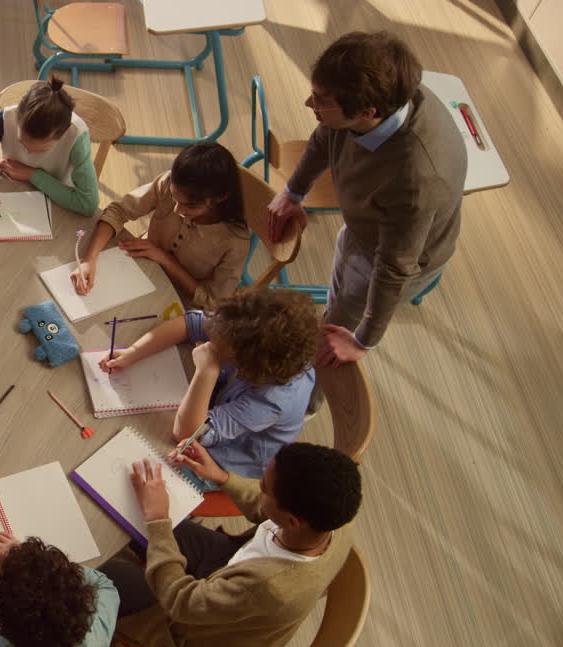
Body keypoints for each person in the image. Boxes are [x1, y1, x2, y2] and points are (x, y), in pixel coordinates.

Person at [267, 31, 467, 366]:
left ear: (366, 112)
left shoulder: (415, 179)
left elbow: (394, 266)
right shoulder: (373, 99)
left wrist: (363, 340)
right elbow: (325, 137)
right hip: (366, 226)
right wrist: (293, 193)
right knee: (337, 302)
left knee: (334, 335)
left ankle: (308, 390)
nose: (308, 104)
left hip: (392, 260)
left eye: (320, 100)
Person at [100, 440, 361, 647]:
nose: (258, 487)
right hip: (231, 566)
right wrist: (221, 477)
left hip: (198, 633)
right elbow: (267, 510)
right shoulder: (332, 521)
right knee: (146, 520)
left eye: (264, 488)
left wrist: (158, 519)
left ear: (292, 521)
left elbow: (181, 602)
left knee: (101, 574)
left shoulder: (270, 587)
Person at [102, 288, 320, 479]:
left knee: (153, 463)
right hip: (222, 398)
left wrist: (206, 371)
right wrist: (133, 352)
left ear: (246, 363)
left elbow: (188, 435)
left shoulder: (271, 400)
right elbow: (190, 324)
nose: (213, 341)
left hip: (234, 453)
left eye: (221, 346)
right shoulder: (245, 325)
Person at [72, 142, 250, 308]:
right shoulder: (168, 182)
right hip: (141, 265)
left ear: (221, 197)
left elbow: (214, 301)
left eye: (190, 206)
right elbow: (119, 211)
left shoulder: (234, 242)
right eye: (174, 198)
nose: (177, 210)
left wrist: (165, 259)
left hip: (180, 300)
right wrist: (89, 260)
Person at [0, 76, 100, 217]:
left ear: (65, 132)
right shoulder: (7, 118)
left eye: (42, 149)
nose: (28, 152)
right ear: (18, 117)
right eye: (21, 142)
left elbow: (88, 204)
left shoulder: (76, 137)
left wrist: (32, 174)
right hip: (11, 185)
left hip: (57, 196)